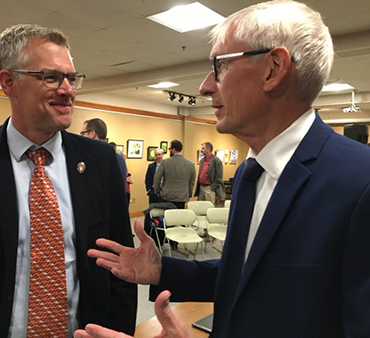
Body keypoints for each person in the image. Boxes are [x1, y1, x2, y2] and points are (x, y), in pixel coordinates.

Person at [74, 1, 370, 337]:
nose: (204, 86)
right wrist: (161, 268)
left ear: (274, 68)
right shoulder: (250, 172)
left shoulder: (360, 184)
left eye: (219, 66)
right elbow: (242, 277)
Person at [0, 24, 137, 337]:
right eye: (51, 77)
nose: (68, 90)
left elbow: (118, 267)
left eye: (72, 78)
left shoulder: (100, 161)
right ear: (9, 82)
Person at [81, 118, 127, 185]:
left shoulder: (89, 157)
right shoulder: (119, 159)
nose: (81, 137)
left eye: (82, 133)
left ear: (92, 133)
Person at [153, 139, 195, 209]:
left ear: (174, 149)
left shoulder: (165, 162)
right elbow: (191, 182)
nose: (169, 150)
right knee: (178, 218)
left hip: (166, 196)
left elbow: (157, 178)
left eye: (170, 148)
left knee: (167, 217)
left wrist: (157, 192)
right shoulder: (190, 164)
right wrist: (188, 194)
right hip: (182, 197)